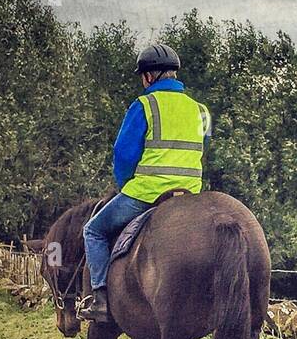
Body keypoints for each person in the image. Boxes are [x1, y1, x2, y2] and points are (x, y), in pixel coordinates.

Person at [78, 43, 211, 324]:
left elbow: (123, 153)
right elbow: (203, 146)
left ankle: (100, 299)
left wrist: (127, 183)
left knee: (93, 231)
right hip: (190, 197)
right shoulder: (201, 111)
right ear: (173, 74)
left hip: (147, 193)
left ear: (149, 77)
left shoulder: (144, 105)